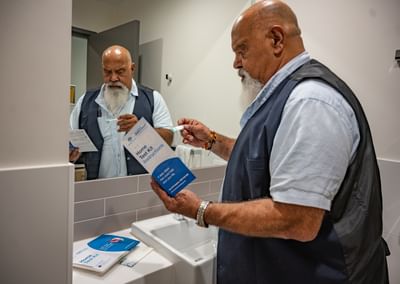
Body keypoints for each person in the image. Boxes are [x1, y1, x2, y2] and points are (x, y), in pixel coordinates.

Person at [150, 1, 389, 283]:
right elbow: (264, 159)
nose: (236, 63)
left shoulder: (310, 102)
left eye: (241, 50)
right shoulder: (287, 97)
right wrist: (212, 140)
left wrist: (201, 210)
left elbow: (296, 218)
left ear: (276, 39)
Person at [70, 45, 173, 179]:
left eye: (120, 72)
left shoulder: (153, 99)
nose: (113, 78)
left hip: (140, 189)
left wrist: (140, 130)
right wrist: (70, 152)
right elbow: (70, 138)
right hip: (97, 191)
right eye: (107, 72)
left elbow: (169, 138)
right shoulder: (86, 100)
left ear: (132, 69)